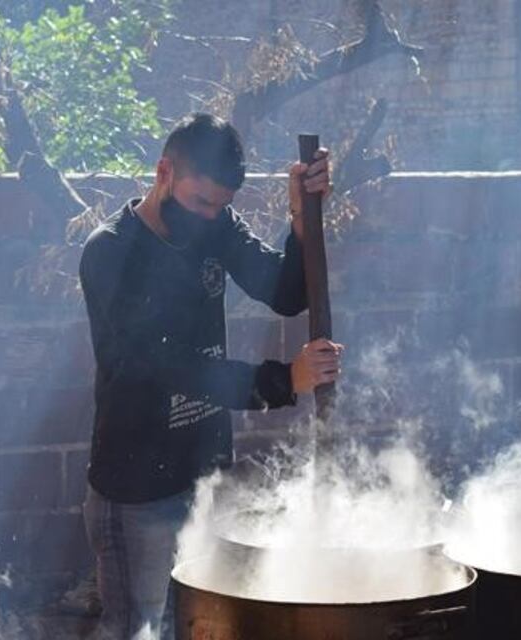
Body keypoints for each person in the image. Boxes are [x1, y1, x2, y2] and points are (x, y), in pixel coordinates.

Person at [79, 112, 342, 638]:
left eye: (220, 206)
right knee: (138, 631)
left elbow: (286, 293)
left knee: (203, 627)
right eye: (200, 201)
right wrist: (282, 380)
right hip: (137, 492)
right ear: (164, 172)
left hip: (203, 477)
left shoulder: (214, 227)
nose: (208, 217)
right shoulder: (110, 252)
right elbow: (163, 367)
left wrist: (299, 219)